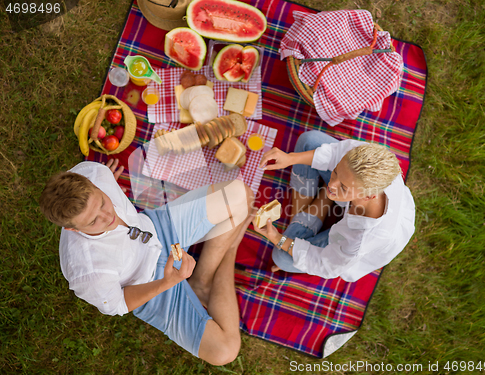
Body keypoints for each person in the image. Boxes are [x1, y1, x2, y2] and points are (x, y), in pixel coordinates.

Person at [39, 159, 255, 365]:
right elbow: (119, 304)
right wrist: (167, 283)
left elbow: (98, 190)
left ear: (93, 185)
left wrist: (108, 185)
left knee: (241, 195)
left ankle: (202, 280)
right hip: (152, 285)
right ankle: (230, 249)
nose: (107, 217)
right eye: (93, 221)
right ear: (72, 229)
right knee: (224, 350)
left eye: (103, 202)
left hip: (159, 229)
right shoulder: (87, 273)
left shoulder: (95, 173)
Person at [253, 130, 415, 282]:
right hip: (354, 196)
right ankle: (323, 200)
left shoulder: (360, 239)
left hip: (349, 240)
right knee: (309, 141)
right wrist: (291, 159)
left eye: (343, 187)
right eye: (335, 172)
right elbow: (335, 154)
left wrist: (277, 238)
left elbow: (326, 264)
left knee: (281, 257)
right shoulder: (365, 158)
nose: (332, 183)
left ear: (368, 196)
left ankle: (320, 203)